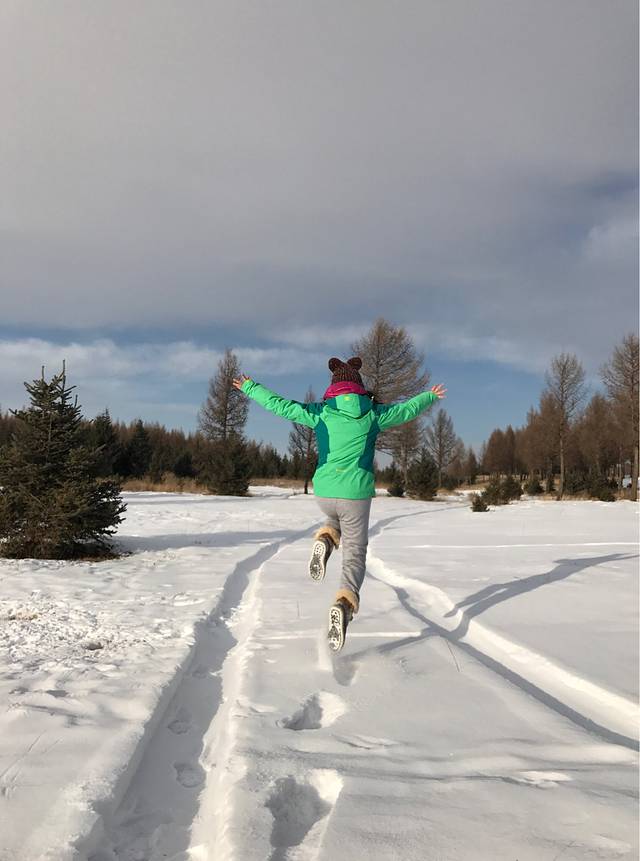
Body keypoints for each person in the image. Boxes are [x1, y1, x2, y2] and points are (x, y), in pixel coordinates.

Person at [233, 357, 446, 651]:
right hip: (355, 494)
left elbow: (281, 406)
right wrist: (429, 396)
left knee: (334, 517)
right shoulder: (373, 414)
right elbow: (405, 410)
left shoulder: (320, 412)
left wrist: (250, 387)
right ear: (359, 387)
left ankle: (326, 537)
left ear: (333, 386)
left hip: (324, 492)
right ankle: (344, 602)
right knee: (355, 553)